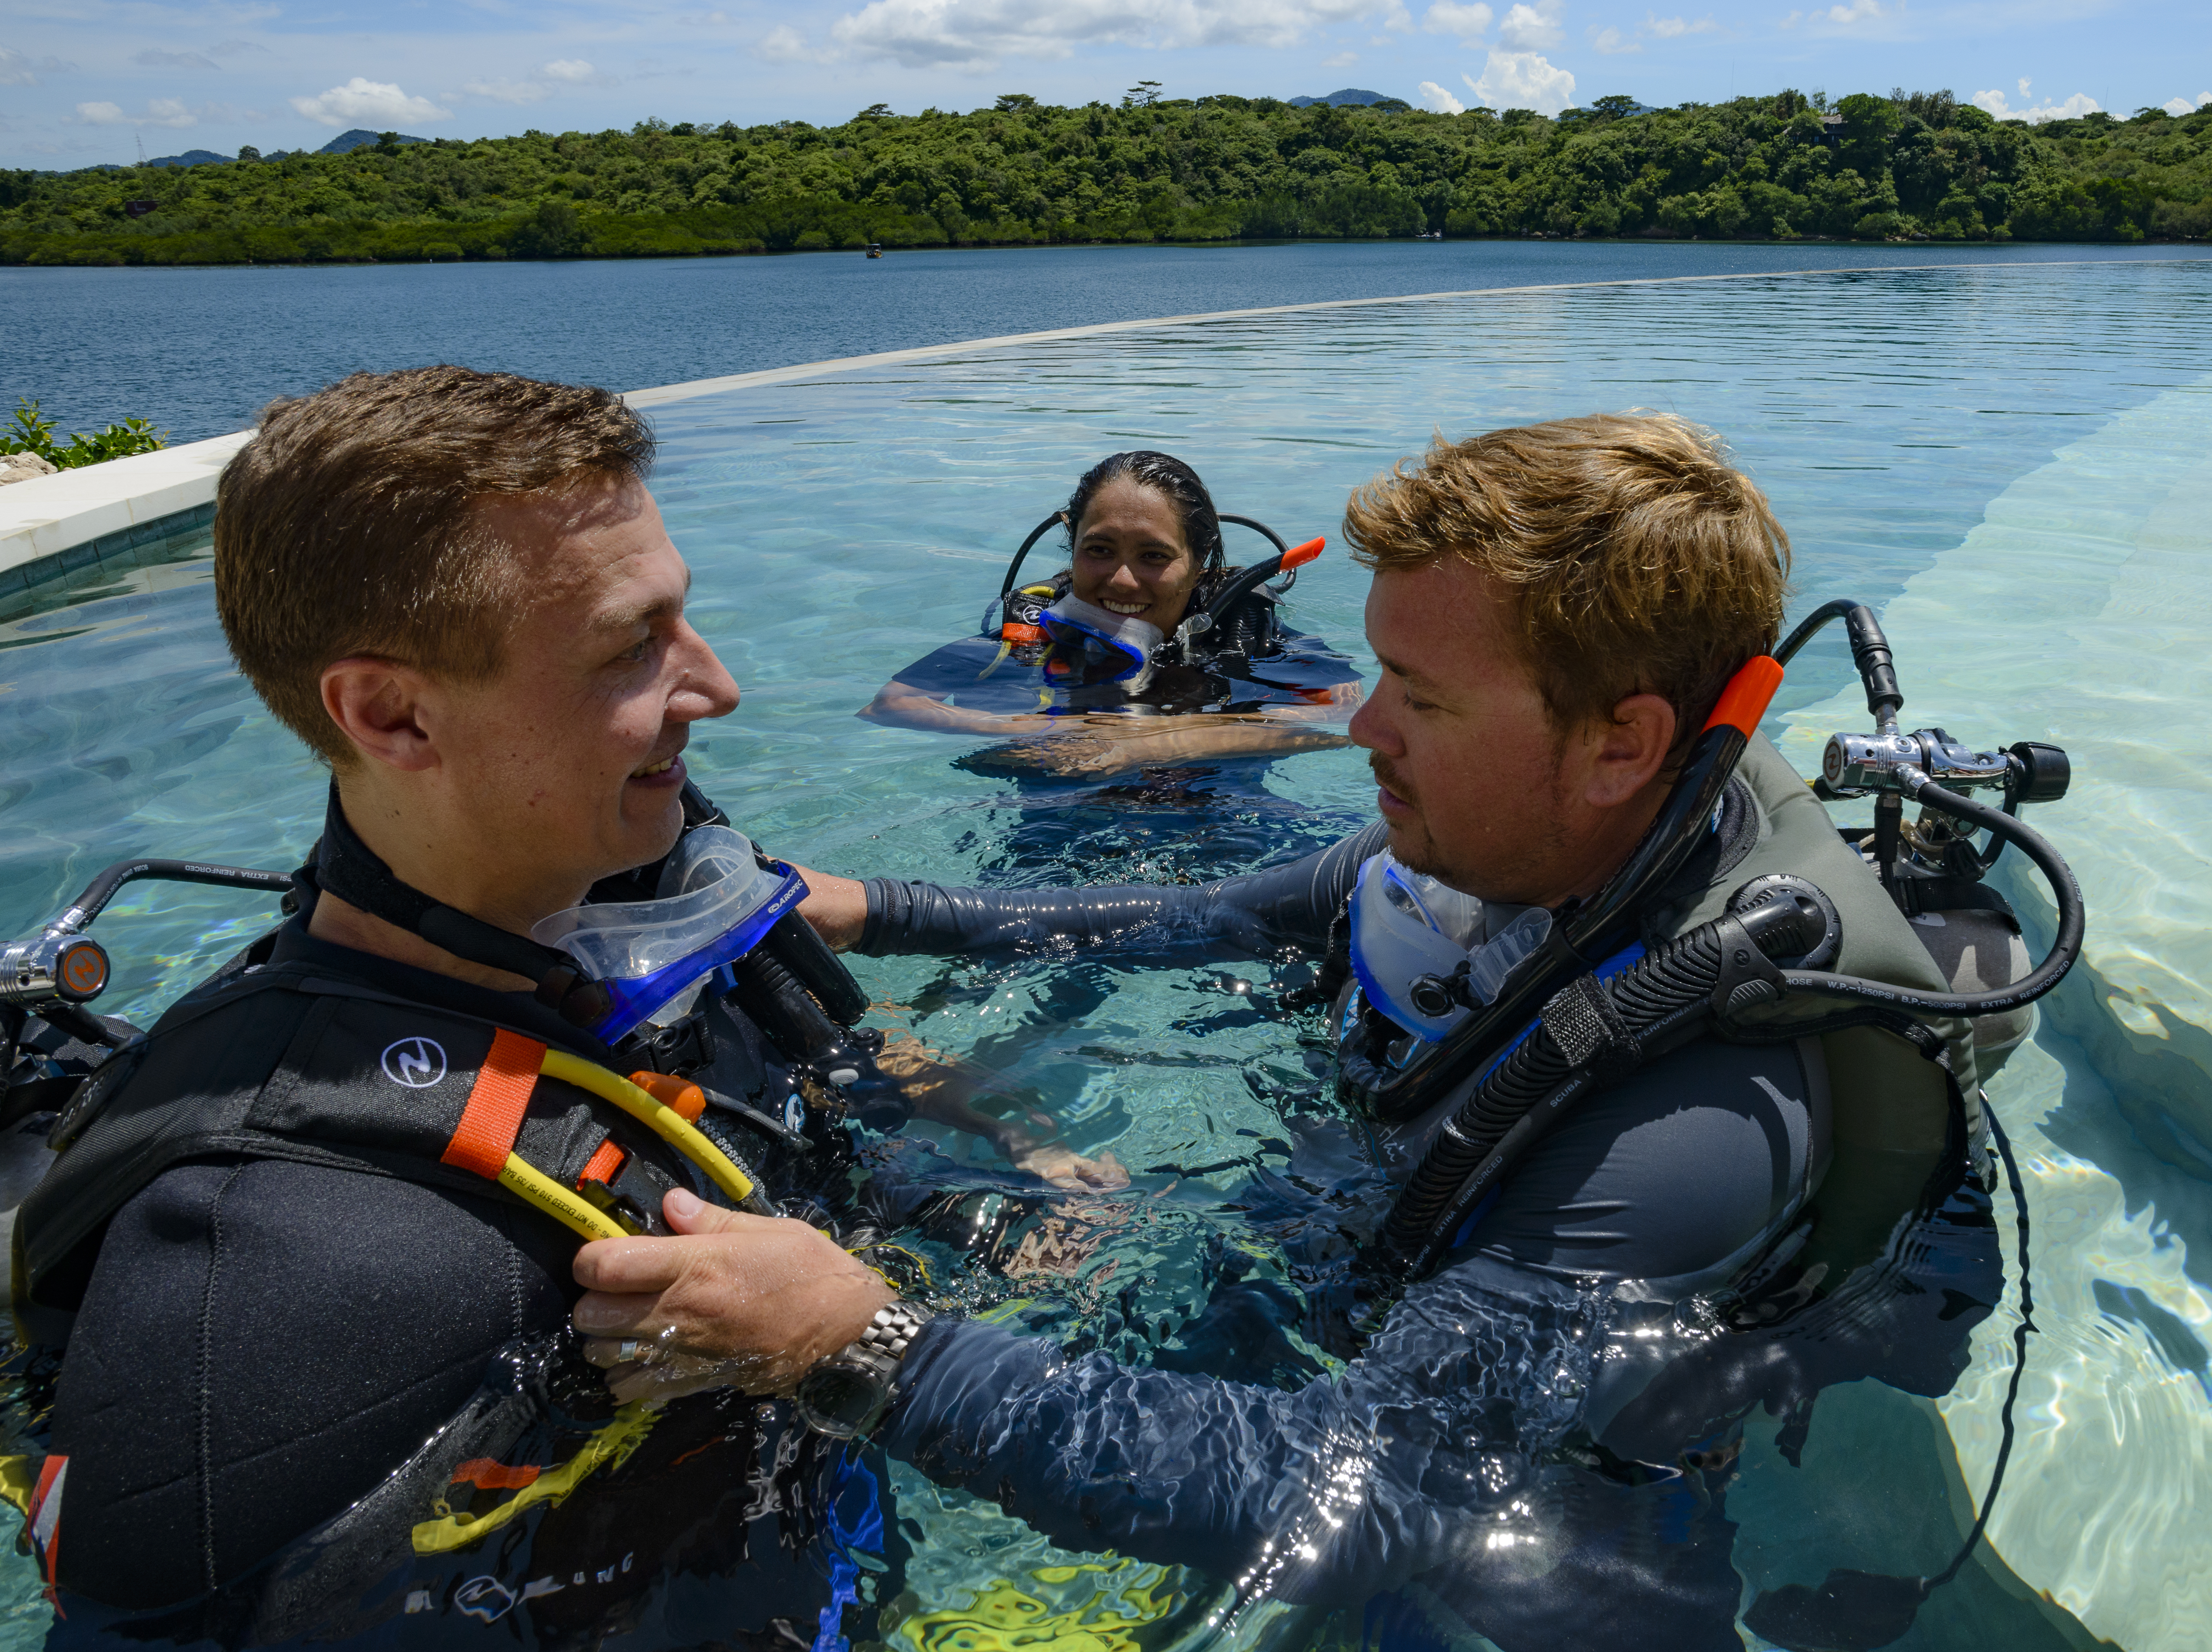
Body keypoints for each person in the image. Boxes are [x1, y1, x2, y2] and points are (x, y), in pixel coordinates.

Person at [577, 415, 2033, 1650]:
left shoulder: (1693, 1117)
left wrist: (862, 1342)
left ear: (1621, 744)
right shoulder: (1483, 863)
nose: (1361, 729)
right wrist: (869, 905)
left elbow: (1366, 1481)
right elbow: (1196, 911)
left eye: (1424, 695)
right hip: (1384, 1252)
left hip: (1562, 1501)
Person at [9, 366, 1119, 1635]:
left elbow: (807, 1075)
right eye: (628, 646)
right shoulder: (267, 1279)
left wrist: (986, 1146)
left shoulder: (632, 882)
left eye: (680, 620)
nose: (712, 685)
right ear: (393, 715)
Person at [858, 450, 1361, 777]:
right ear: (1071, 544)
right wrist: (1032, 732)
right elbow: (889, 705)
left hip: (1221, 813)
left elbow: (1343, 716)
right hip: (1059, 822)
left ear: (1199, 563)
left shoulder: (1245, 635)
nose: (1121, 579)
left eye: (1154, 557)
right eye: (1098, 550)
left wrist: (1144, 745)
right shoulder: (1035, 634)